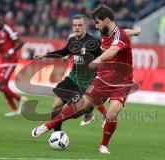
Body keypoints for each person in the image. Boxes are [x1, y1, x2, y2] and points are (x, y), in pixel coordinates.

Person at [32, 4, 138, 154]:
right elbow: (124, 32)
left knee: (112, 114)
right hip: (102, 79)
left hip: (122, 82)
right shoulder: (106, 32)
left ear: (106, 20)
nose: (96, 25)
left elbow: (114, 49)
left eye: (97, 22)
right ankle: (48, 126)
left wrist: (98, 60)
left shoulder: (103, 39)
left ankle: (103, 146)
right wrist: (136, 31)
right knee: (77, 107)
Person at [35, 14, 108, 131]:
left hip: (84, 84)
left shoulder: (93, 43)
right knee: (55, 107)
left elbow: (106, 58)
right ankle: (58, 135)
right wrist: (45, 55)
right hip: (71, 80)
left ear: (86, 26)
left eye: (80, 25)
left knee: (66, 111)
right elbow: (64, 52)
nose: (77, 28)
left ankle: (89, 108)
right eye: (75, 25)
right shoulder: (72, 40)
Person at [0, 12, 27, 117]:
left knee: (0, 85)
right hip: (3, 62)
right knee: (3, 86)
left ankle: (21, 99)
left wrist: (10, 52)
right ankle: (14, 109)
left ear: (3, 20)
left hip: (11, 60)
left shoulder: (7, 29)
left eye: (0, 20)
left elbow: (21, 42)